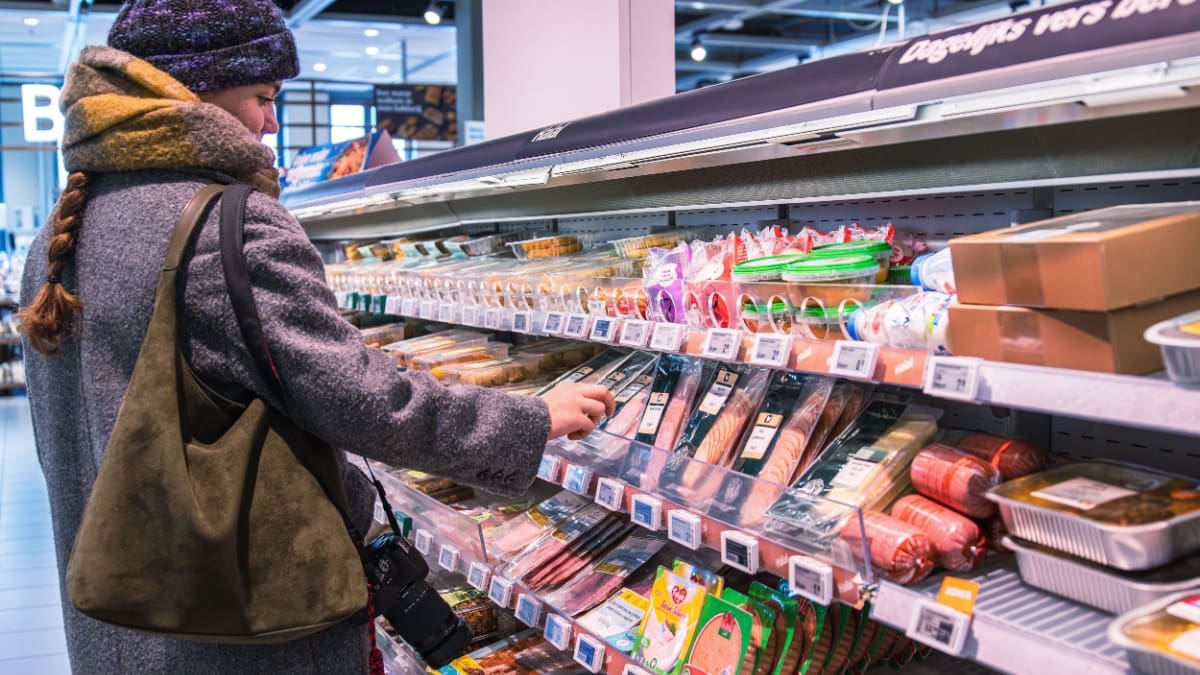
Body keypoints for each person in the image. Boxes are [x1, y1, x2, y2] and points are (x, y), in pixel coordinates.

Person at [18, 1, 614, 672]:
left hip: (117, 620)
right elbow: (365, 400)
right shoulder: (229, 228)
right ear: (197, 90)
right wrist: (528, 419)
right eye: (263, 97)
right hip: (237, 629)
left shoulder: (58, 236)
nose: (272, 121)